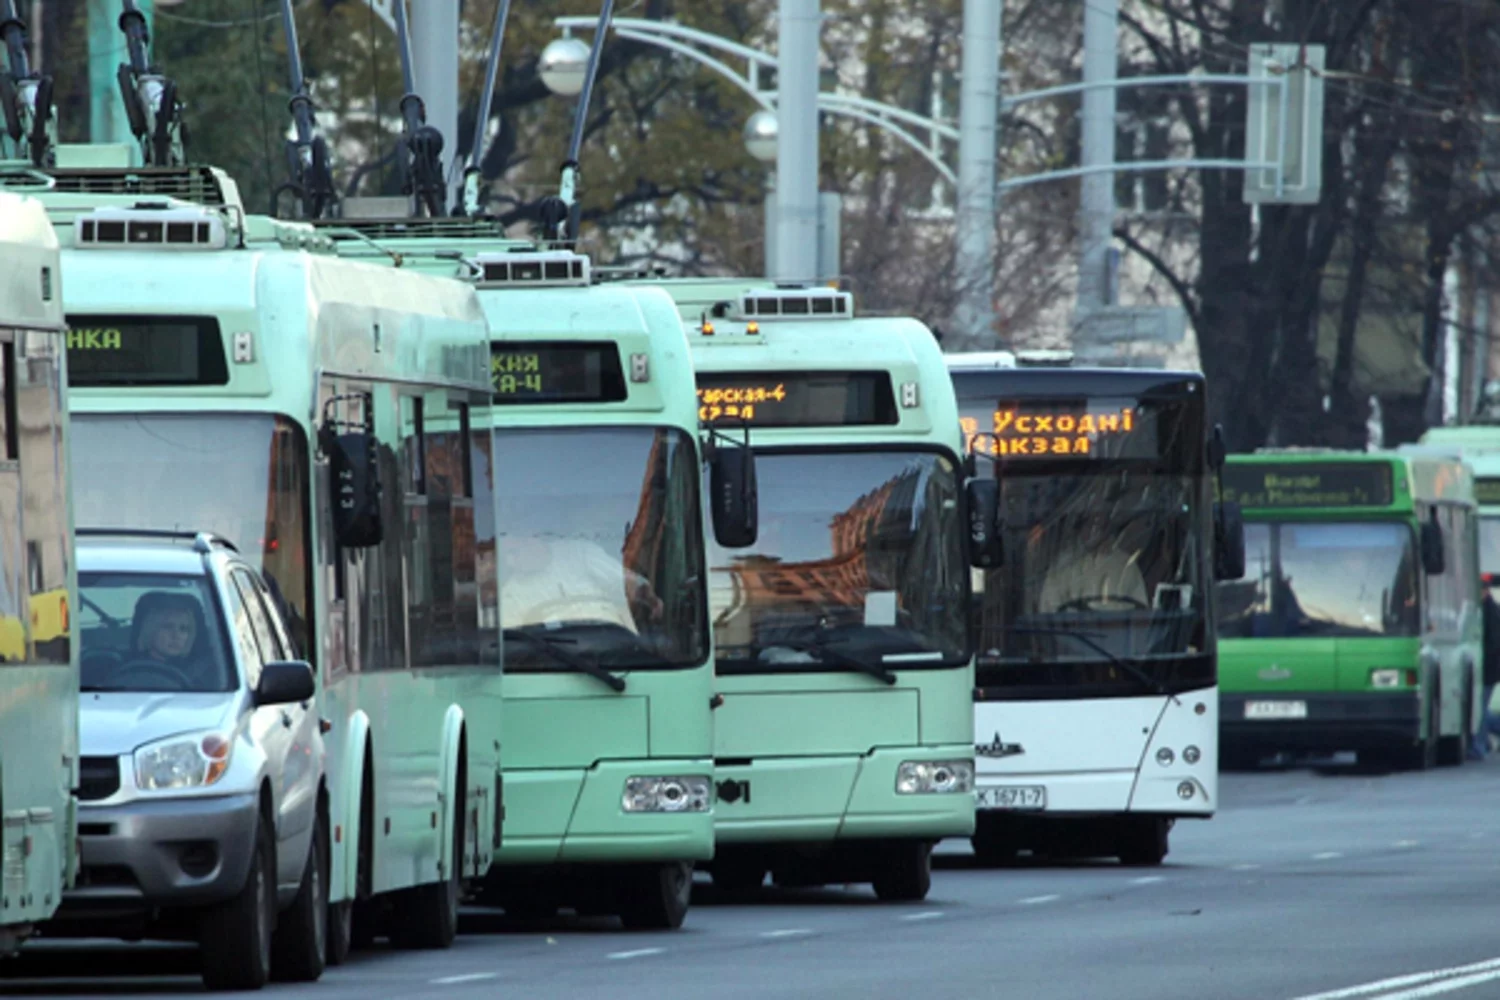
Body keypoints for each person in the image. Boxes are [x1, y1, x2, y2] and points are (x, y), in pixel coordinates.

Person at [499, 532, 664, 633]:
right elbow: (515, 643)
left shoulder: (579, 552)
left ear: (530, 538)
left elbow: (626, 582)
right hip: (554, 660)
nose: (510, 562)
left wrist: (650, 599)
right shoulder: (510, 593)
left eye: (513, 552)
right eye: (505, 556)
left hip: (615, 644)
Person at [1469, 573, 1500, 760]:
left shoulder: (1490, 612)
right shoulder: (1483, 609)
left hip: (1487, 670)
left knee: (1479, 710)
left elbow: (1493, 644)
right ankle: (1479, 744)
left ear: (1486, 590)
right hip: (1485, 669)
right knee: (1479, 709)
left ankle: (1478, 747)